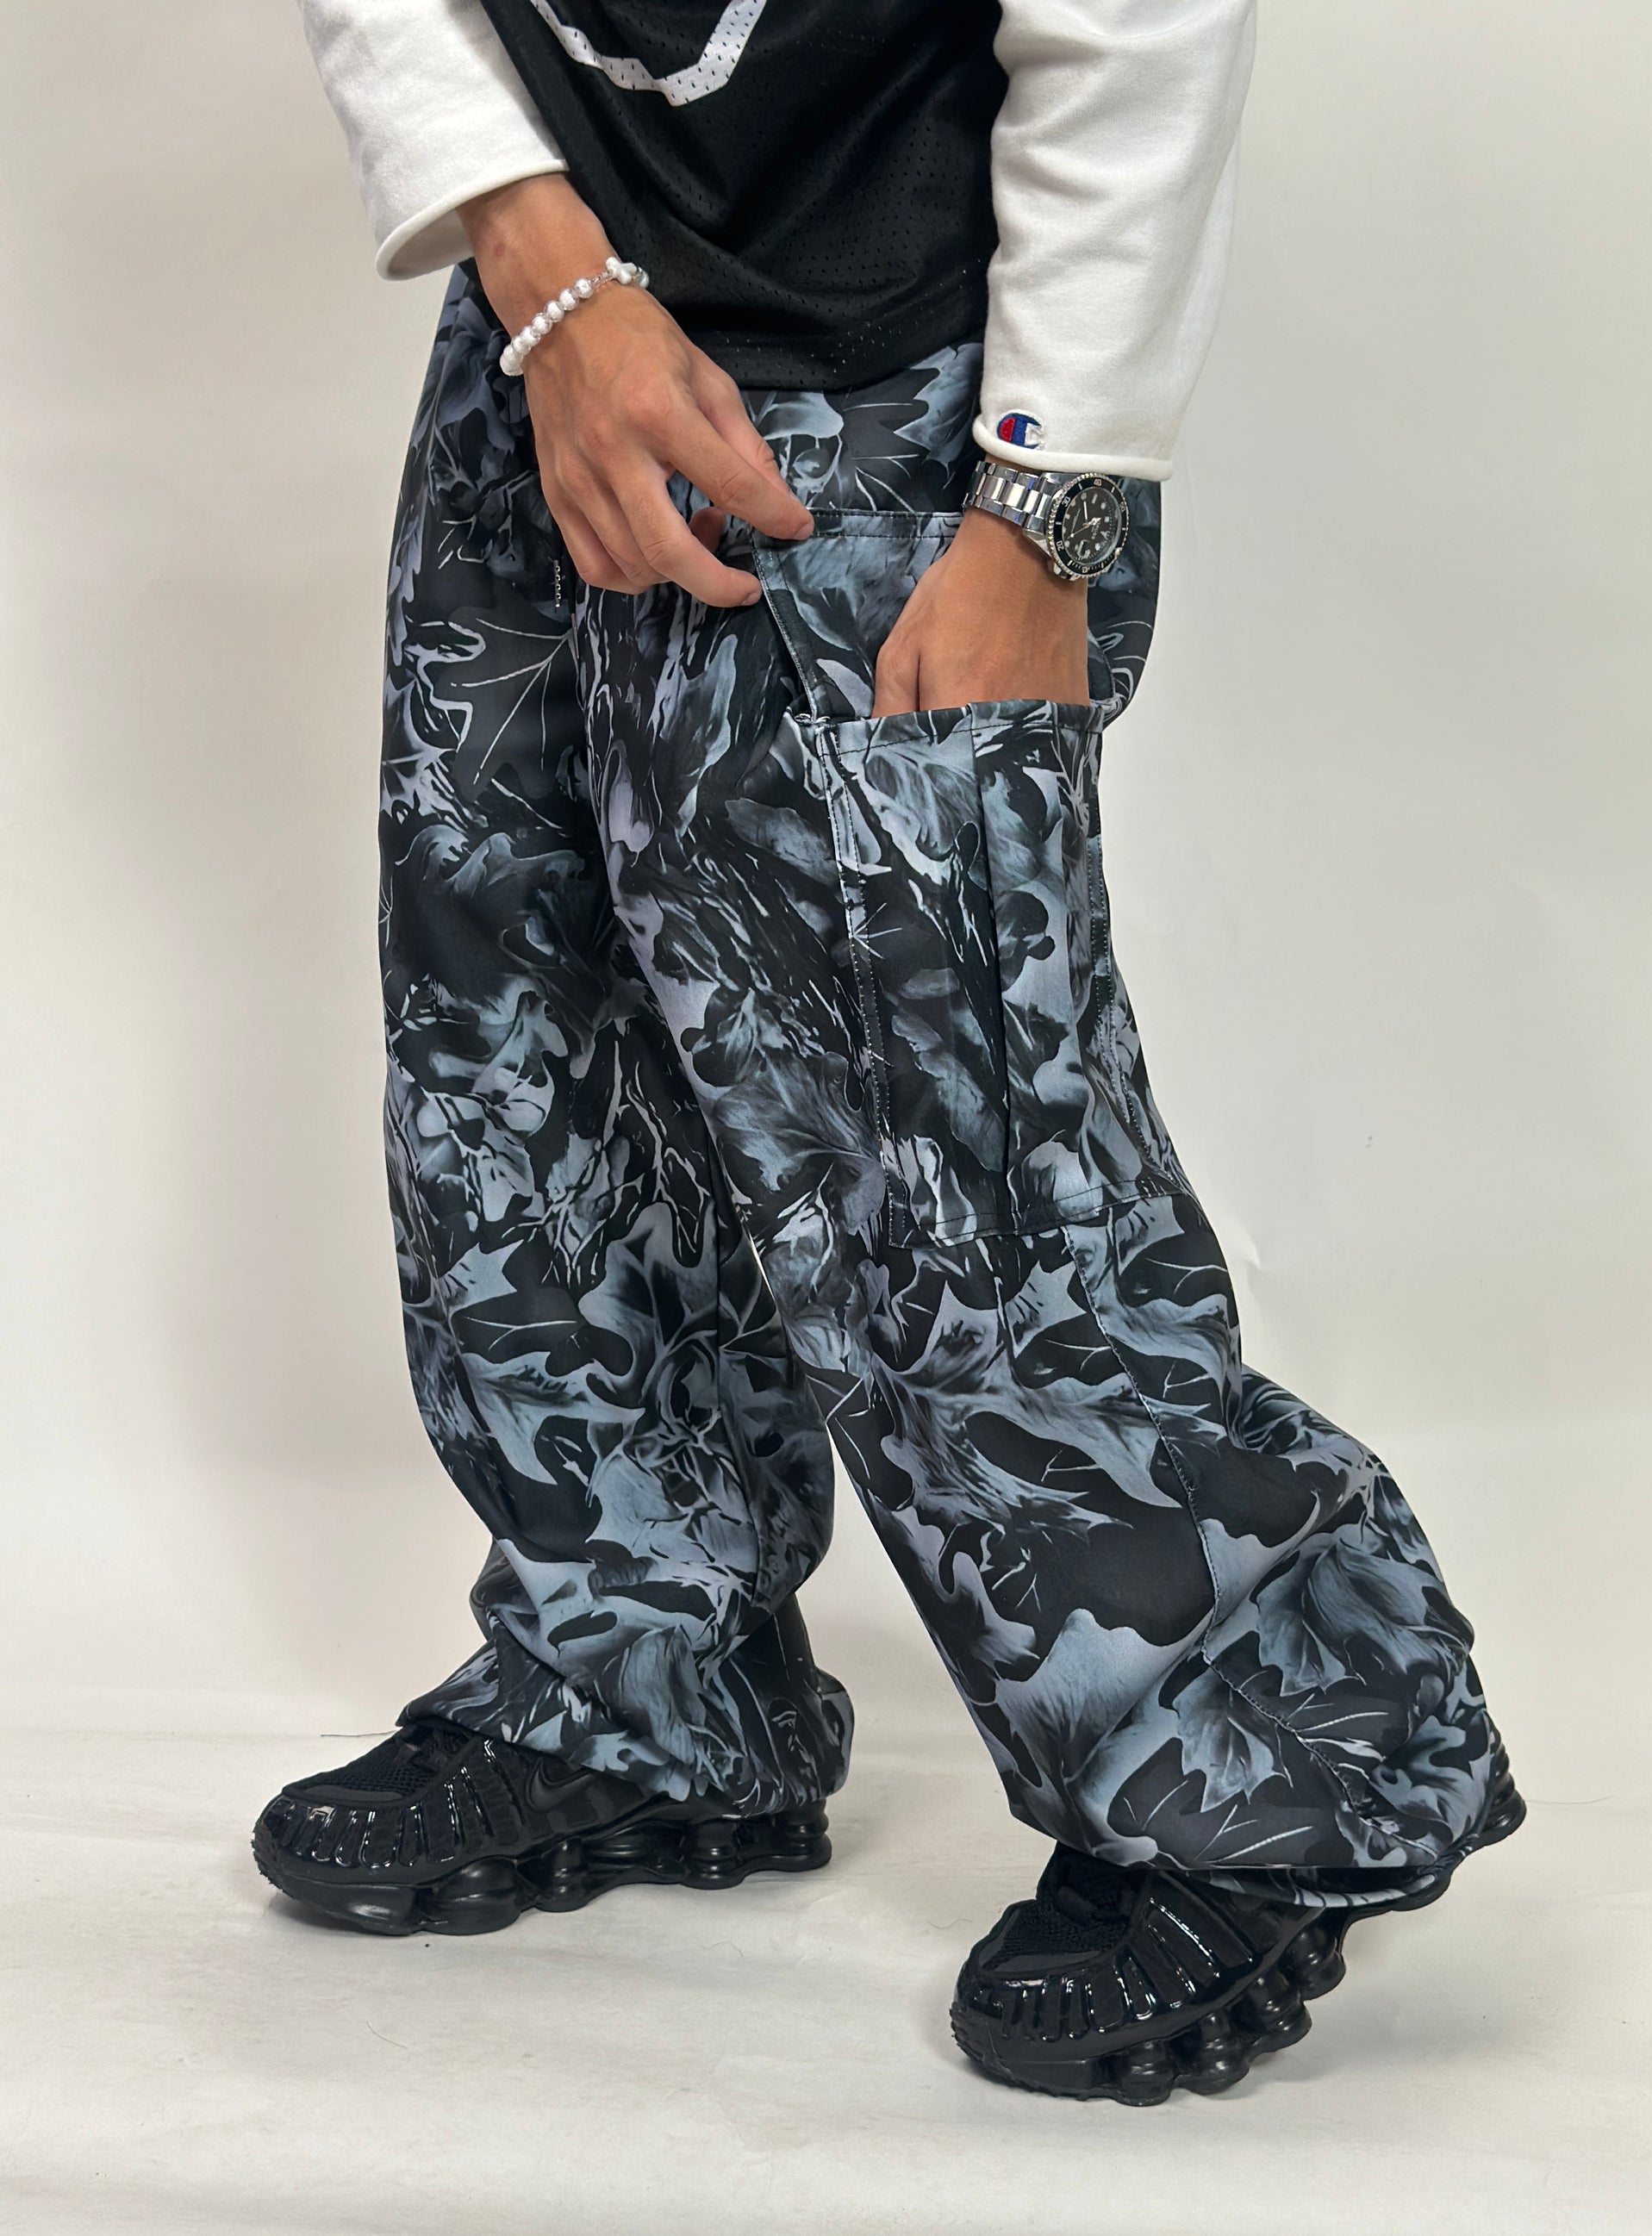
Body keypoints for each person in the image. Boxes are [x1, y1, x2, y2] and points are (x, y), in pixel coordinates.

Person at [257, 0, 1522, 2105]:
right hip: (558, 326)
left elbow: (1136, 23)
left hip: (909, 395)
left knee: (933, 1117)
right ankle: (645, 1682)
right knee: (523, 1028)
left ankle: (1265, 1765)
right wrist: (537, 264)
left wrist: (1050, 508)